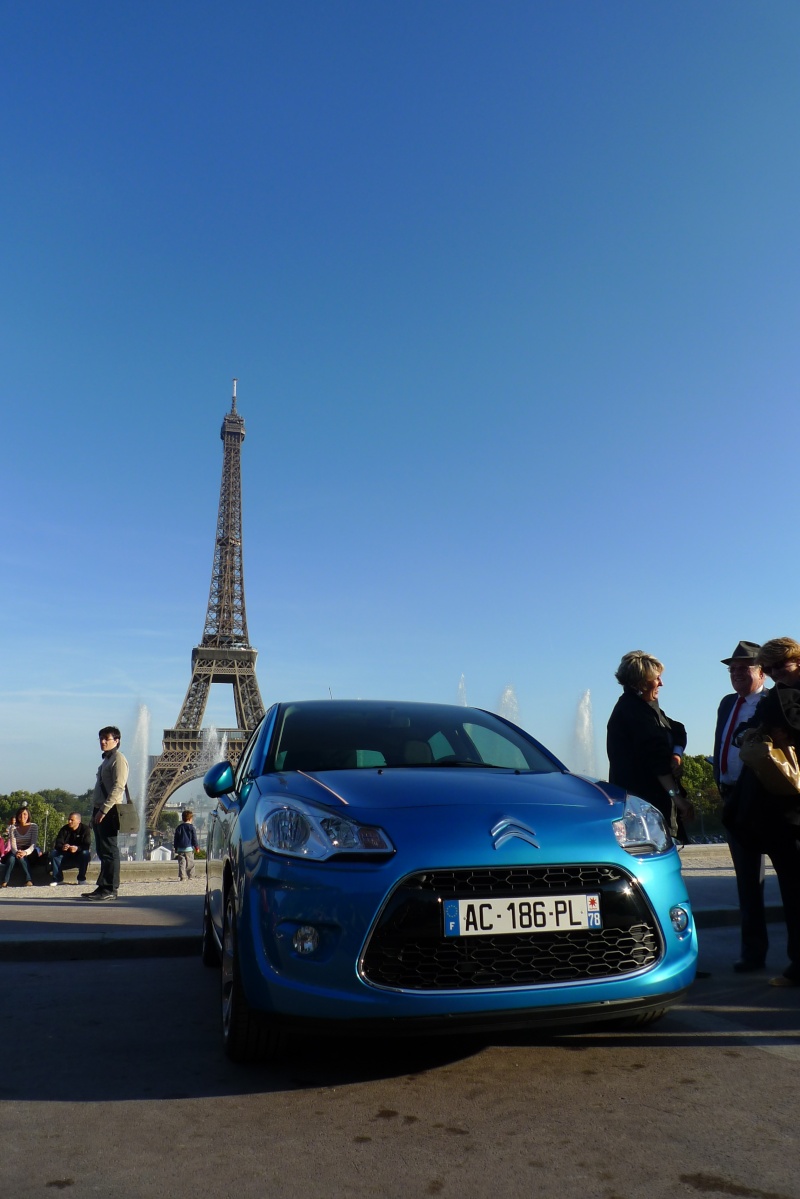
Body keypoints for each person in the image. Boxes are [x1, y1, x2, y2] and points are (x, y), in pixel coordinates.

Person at [729, 637, 800, 988]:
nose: (774, 676)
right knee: (792, 886)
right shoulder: (774, 697)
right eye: (769, 670)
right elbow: (748, 732)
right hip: (788, 808)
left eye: (778, 669)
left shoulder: (777, 697)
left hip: (791, 804)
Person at [713, 641, 770, 972]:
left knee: (788, 878)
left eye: (743, 668)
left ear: (761, 671)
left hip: (765, 798)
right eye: (731, 669)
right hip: (732, 796)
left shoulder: (771, 702)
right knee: (747, 881)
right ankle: (752, 953)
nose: (735, 674)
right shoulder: (726, 704)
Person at [607, 650, 694, 840]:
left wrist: (676, 754)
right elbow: (656, 762)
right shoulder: (635, 713)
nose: (661, 683)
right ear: (639, 682)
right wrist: (678, 799)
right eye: (656, 678)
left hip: (645, 803)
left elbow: (678, 729)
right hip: (644, 806)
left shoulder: (646, 708)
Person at [82, 726, 128, 902]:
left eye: (106, 739)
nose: (102, 742)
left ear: (116, 741)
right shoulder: (106, 761)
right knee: (102, 849)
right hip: (100, 809)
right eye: (100, 738)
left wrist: (103, 810)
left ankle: (110, 888)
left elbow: (118, 787)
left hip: (108, 810)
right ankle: (103, 886)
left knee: (109, 850)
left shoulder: (118, 759)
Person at [1, 807, 40, 887]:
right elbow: (13, 844)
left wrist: (25, 852)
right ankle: (4, 881)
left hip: (29, 850)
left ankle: (29, 879)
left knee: (22, 858)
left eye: (25, 814)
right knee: (11, 859)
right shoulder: (13, 828)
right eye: (20, 814)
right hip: (16, 850)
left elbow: (33, 844)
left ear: (28, 815)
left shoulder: (33, 826)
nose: (22, 816)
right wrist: (17, 852)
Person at [50, 812, 92, 886]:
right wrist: (63, 847)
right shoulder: (64, 829)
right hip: (66, 855)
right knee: (54, 853)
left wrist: (77, 848)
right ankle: (58, 879)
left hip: (79, 855)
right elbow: (58, 844)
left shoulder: (85, 829)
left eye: (72, 820)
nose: (69, 821)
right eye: (69, 819)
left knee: (85, 853)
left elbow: (86, 845)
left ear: (79, 821)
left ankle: (81, 879)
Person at [173, 810, 199, 881]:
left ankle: (183, 876)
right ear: (190, 819)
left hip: (180, 849)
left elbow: (176, 838)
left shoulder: (179, 827)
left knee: (182, 863)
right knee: (191, 863)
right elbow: (194, 838)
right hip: (189, 849)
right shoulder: (191, 828)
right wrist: (196, 847)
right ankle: (191, 876)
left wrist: (176, 847)